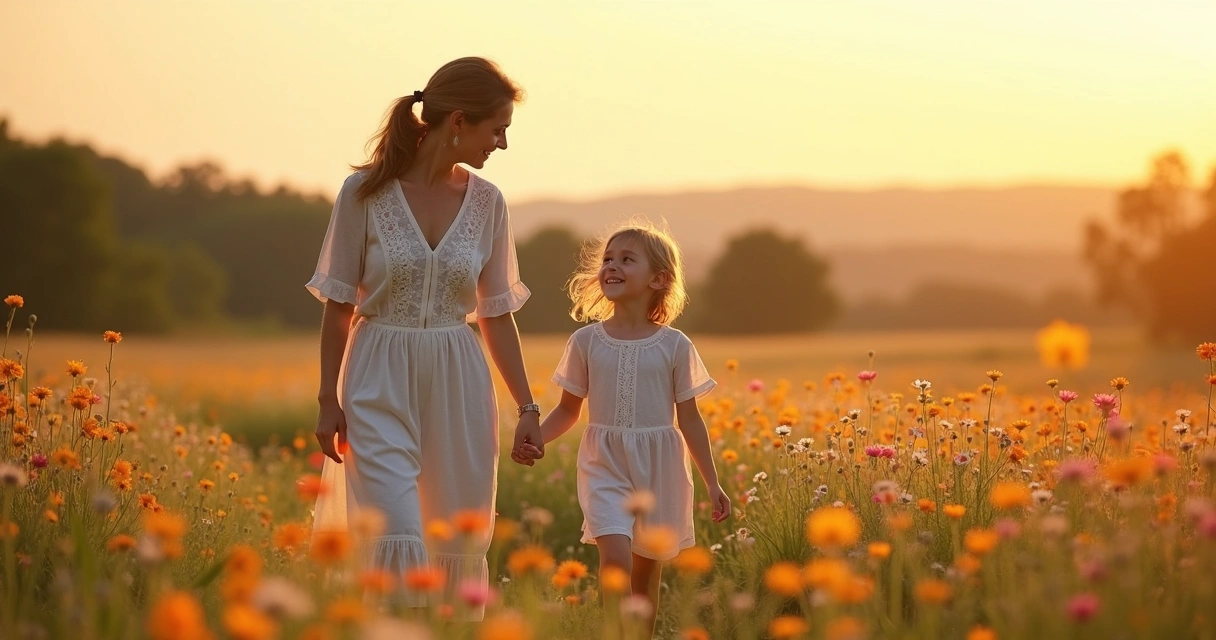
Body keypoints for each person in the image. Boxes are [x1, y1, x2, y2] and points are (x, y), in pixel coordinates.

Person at [307, 57, 543, 619]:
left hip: (458, 379)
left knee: (452, 541)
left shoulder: (489, 202)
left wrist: (528, 406)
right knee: (394, 537)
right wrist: (326, 400)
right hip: (376, 375)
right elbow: (339, 304)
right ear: (458, 120)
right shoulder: (363, 192)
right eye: (497, 129)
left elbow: (496, 314)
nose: (503, 144)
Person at [516, 220, 731, 635]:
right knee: (615, 560)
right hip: (605, 465)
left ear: (659, 279)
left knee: (645, 579)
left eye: (626, 259)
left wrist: (713, 482)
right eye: (608, 259)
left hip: (660, 469)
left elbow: (689, 419)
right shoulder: (586, 342)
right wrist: (535, 440)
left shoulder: (675, 345)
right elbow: (567, 410)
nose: (611, 266)